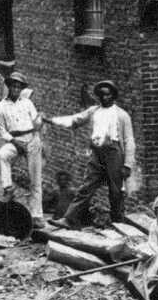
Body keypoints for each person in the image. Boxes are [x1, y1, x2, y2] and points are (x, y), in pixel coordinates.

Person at [50, 80, 135, 229]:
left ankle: (118, 223)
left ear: (113, 96)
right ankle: (69, 219)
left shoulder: (122, 115)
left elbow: (129, 140)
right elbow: (75, 120)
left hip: (114, 153)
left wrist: (127, 164)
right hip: (97, 152)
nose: (104, 98)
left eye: (107, 95)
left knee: (116, 191)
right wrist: (51, 120)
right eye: (101, 95)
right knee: (86, 187)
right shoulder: (94, 111)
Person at [0, 71, 44, 217]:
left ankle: (37, 215)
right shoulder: (1, 106)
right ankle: (8, 187)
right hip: (15, 139)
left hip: (31, 138)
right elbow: (1, 129)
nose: (16, 89)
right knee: (2, 154)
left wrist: (38, 126)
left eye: (19, 87)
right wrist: (14, 142)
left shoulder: (27, 103)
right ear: (9, 87)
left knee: (35, 179)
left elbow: (37, 122)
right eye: (13, 86)